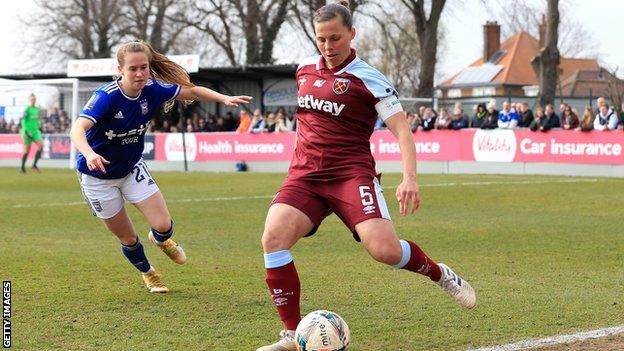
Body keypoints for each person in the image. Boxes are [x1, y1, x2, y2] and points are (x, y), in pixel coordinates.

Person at [256, 3, 476, 350]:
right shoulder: (303, 71)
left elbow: (402, 130)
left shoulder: (368, 77)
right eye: (321, 39)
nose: (328, 47)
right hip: (306, 177)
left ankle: (440, 273)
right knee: (273, 238)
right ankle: (293, 335)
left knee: (385, 251)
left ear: (352, 34)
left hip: (350, 175)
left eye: (335, 38)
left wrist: (410, 178)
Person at [70, 40, 251, 293]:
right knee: (128, 238)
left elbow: (193, 91)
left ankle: (160, 240)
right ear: (120, 69)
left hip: (131, 169)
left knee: (163, 224)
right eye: (133, 68)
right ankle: (149, 273)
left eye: (144, 67)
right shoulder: (105, 98)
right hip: (97, 176)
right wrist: (89, 154)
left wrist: (224, 98)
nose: (140, 74)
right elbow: (77, 128)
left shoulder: (153, 89)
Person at [20, 94, 44, 174]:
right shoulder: (27, 109)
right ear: (29, 100)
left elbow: (37, 120)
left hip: (35, 131)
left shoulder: (37, 109)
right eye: (32, 99)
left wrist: (39, 127)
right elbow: (23, 120)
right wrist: (26, 131)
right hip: (27, 131)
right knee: (27, 151)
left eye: (34, 99)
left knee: (41, 146)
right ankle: (22, 167)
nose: (33, 101)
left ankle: (34, 165)